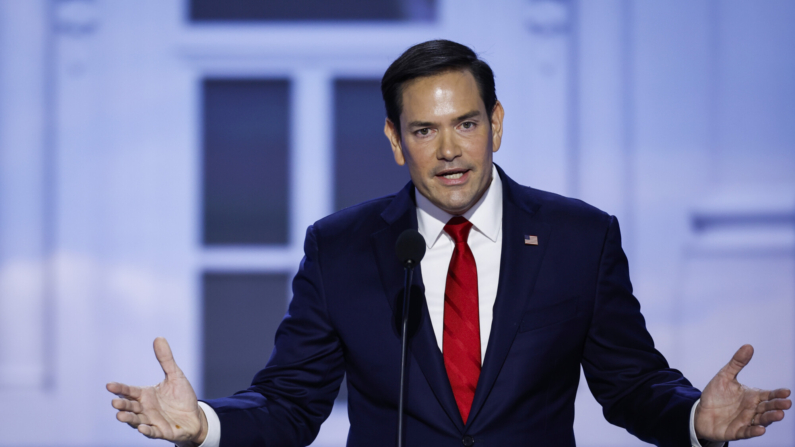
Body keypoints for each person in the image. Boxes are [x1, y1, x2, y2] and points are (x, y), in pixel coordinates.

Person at [107, 40, 791, 447]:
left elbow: (631, 383)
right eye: (424, 130)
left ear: (495, 123)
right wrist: (203, 422)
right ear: (393, 139)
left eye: (464, 123)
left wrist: (696, 416)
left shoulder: (579, 237)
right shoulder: (340, 248)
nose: (449, 151)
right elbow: (291, 401)